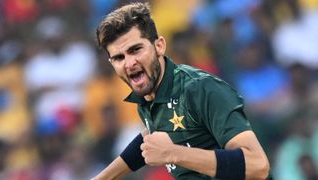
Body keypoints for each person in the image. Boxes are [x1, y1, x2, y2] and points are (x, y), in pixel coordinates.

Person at [92, 2, 270, 180]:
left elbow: (258, 165)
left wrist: (174, 153)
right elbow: (150, 138)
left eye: (136, 50)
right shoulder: (149, 98)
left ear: (159, 46)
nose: (129, 63)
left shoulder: (200, 89)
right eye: (119, 57)